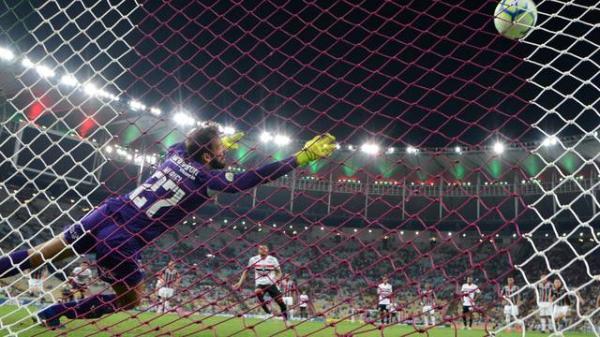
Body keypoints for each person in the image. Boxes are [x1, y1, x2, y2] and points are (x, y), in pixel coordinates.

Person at [0, 126, 336, 328]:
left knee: (37, 254)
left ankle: (44, 303)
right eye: (220, 149)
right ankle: (57, 310)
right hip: (124, 238)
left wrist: (215, 143)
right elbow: (247, 179)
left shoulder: (174, 152)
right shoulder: (207, 177)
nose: (225, 153)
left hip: (106, 213)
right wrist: (298, 159)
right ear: (207, 155)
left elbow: (188, 146)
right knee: (130, 300)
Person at [234, 245, 288, 320]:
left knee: (280, 301)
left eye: (264, 249)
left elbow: (279, 272)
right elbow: (246, 271)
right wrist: (240, 283)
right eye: (261, 249)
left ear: (267, 250)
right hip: (260, 284)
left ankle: (286, 318)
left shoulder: (273, 260)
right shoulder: (253, 259)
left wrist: (276, 279)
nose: (262, 250)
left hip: (271, 283)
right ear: (258, 250)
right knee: (257, 291)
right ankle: (267, 310)